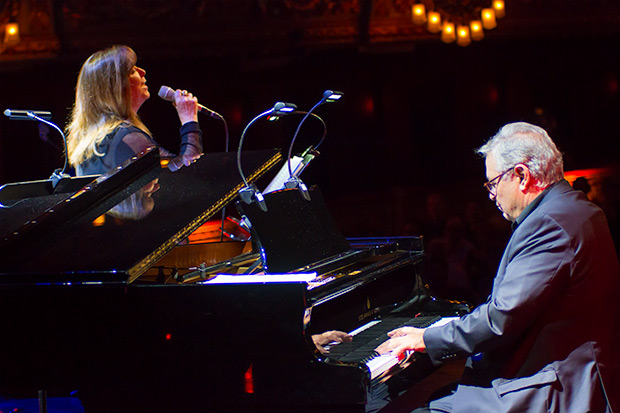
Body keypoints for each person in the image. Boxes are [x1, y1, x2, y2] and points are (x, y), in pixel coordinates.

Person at [377, 122, 619, 412]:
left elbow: (501, 318)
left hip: (558, 388)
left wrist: (426, 338)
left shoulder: (549, 224)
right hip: (570, 370)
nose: (491, 195)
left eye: (492, 183)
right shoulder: (578, 208)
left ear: (521, 175)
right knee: (436, 396)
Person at [66, 45, 203, 218]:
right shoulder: (127, 137)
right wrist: (189, 120)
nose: (143, 71)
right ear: (116, 86)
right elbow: (186, 175)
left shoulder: (94, 139)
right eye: (132, 70)